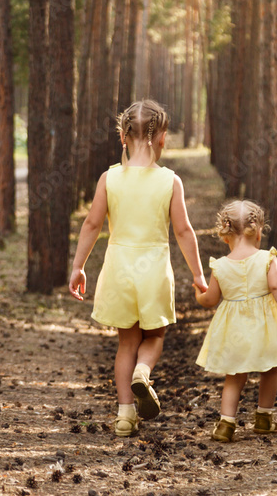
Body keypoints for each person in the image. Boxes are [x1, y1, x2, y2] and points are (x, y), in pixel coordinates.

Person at [69, 99, 208, 437]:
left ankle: (124, 415)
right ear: (162, 139)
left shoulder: (109, 178)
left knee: (126, 343)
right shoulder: (170, 181)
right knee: (155, 336)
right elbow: (184, 231)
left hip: (119, 269)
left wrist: (78, 267)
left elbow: (91, 224)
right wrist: (199, 274)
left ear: (122, 136)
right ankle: (143, 373)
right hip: (154, 270)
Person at [194, 200, 277, 443]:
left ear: (225, 234)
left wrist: (198, 295)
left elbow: (211, 299)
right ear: (258, 230)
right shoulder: (266, 258)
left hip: (234, 330)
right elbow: (276, 286)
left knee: (235, 375)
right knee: (270, 369)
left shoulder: (220, 265)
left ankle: (226, 424)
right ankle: (264, 418)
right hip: (266, 327)